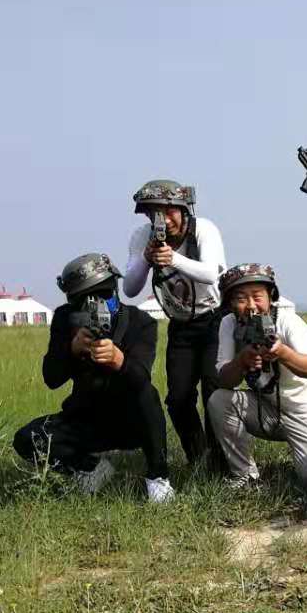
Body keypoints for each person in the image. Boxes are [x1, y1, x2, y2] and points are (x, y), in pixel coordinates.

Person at [13, 253, 173, 502]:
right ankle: (91, 468)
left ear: (115, 289)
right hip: (85, 419)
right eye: (86, 298)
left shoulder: (141, 322)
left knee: (148, 393)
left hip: (130, 421)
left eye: (104, 293)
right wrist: (72, 349)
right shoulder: (65, 319)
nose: (97, 304)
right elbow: (51, 378)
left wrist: (119, 361)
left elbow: (141, 378)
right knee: (27, 438)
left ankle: (158, 476)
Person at [121, 179, 227, 472]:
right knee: (178, 398)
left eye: (169, 211)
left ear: (182, 209)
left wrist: (174, 259)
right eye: (154, 213)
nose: (164, 220)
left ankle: (221, 462)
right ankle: (199, 459)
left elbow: (213, 273)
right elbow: (130, 288)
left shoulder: (203, 229)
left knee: (214, 394)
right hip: (181, 324)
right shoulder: (142, 237)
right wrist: (146, 258)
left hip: (215, 319)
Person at [208, 263, 307, 489]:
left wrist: (282, 353)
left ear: (270, 297)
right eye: (241, 298)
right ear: (230, 303)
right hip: (268, 410)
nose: (250, 306)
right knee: (219, 400)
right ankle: (245, 476)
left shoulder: (288, 321)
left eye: (257, 296)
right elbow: (224, 379)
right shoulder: (229, 323)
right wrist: (242, 361)